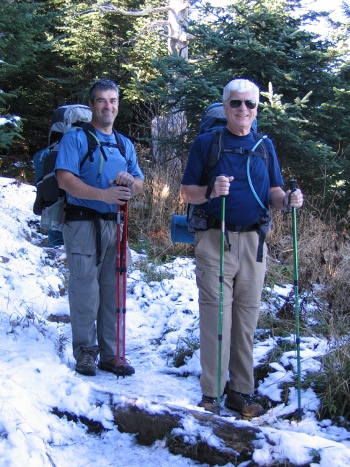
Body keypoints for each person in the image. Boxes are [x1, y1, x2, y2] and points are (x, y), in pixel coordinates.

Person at [180, 78, 303, 417]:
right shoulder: (207, 143)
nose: (243, 110)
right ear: (226, 106)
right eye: (236, 103)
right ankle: (211, 393)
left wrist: (289, 200)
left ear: (257, 108)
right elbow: (187, 192)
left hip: (254, 242)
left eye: (250, 104)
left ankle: (241, 391)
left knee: (245, 320)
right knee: (215, 317)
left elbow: (274, 193)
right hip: (214, 239)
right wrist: (210, 191)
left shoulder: (264, 145)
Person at [55, 79, 144, 377]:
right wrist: (103, 195)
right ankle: (85, 353)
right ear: (92, 105)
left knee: (113, 291)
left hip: (115, 226)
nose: (108, 106)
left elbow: (139, 182)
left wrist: (131, 185)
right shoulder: (76, 138)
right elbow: (65, 179)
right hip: (82, 223)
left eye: (113, 100)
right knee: (85, 290)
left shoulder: (124, 143)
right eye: (102, 100)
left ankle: (112, 355)